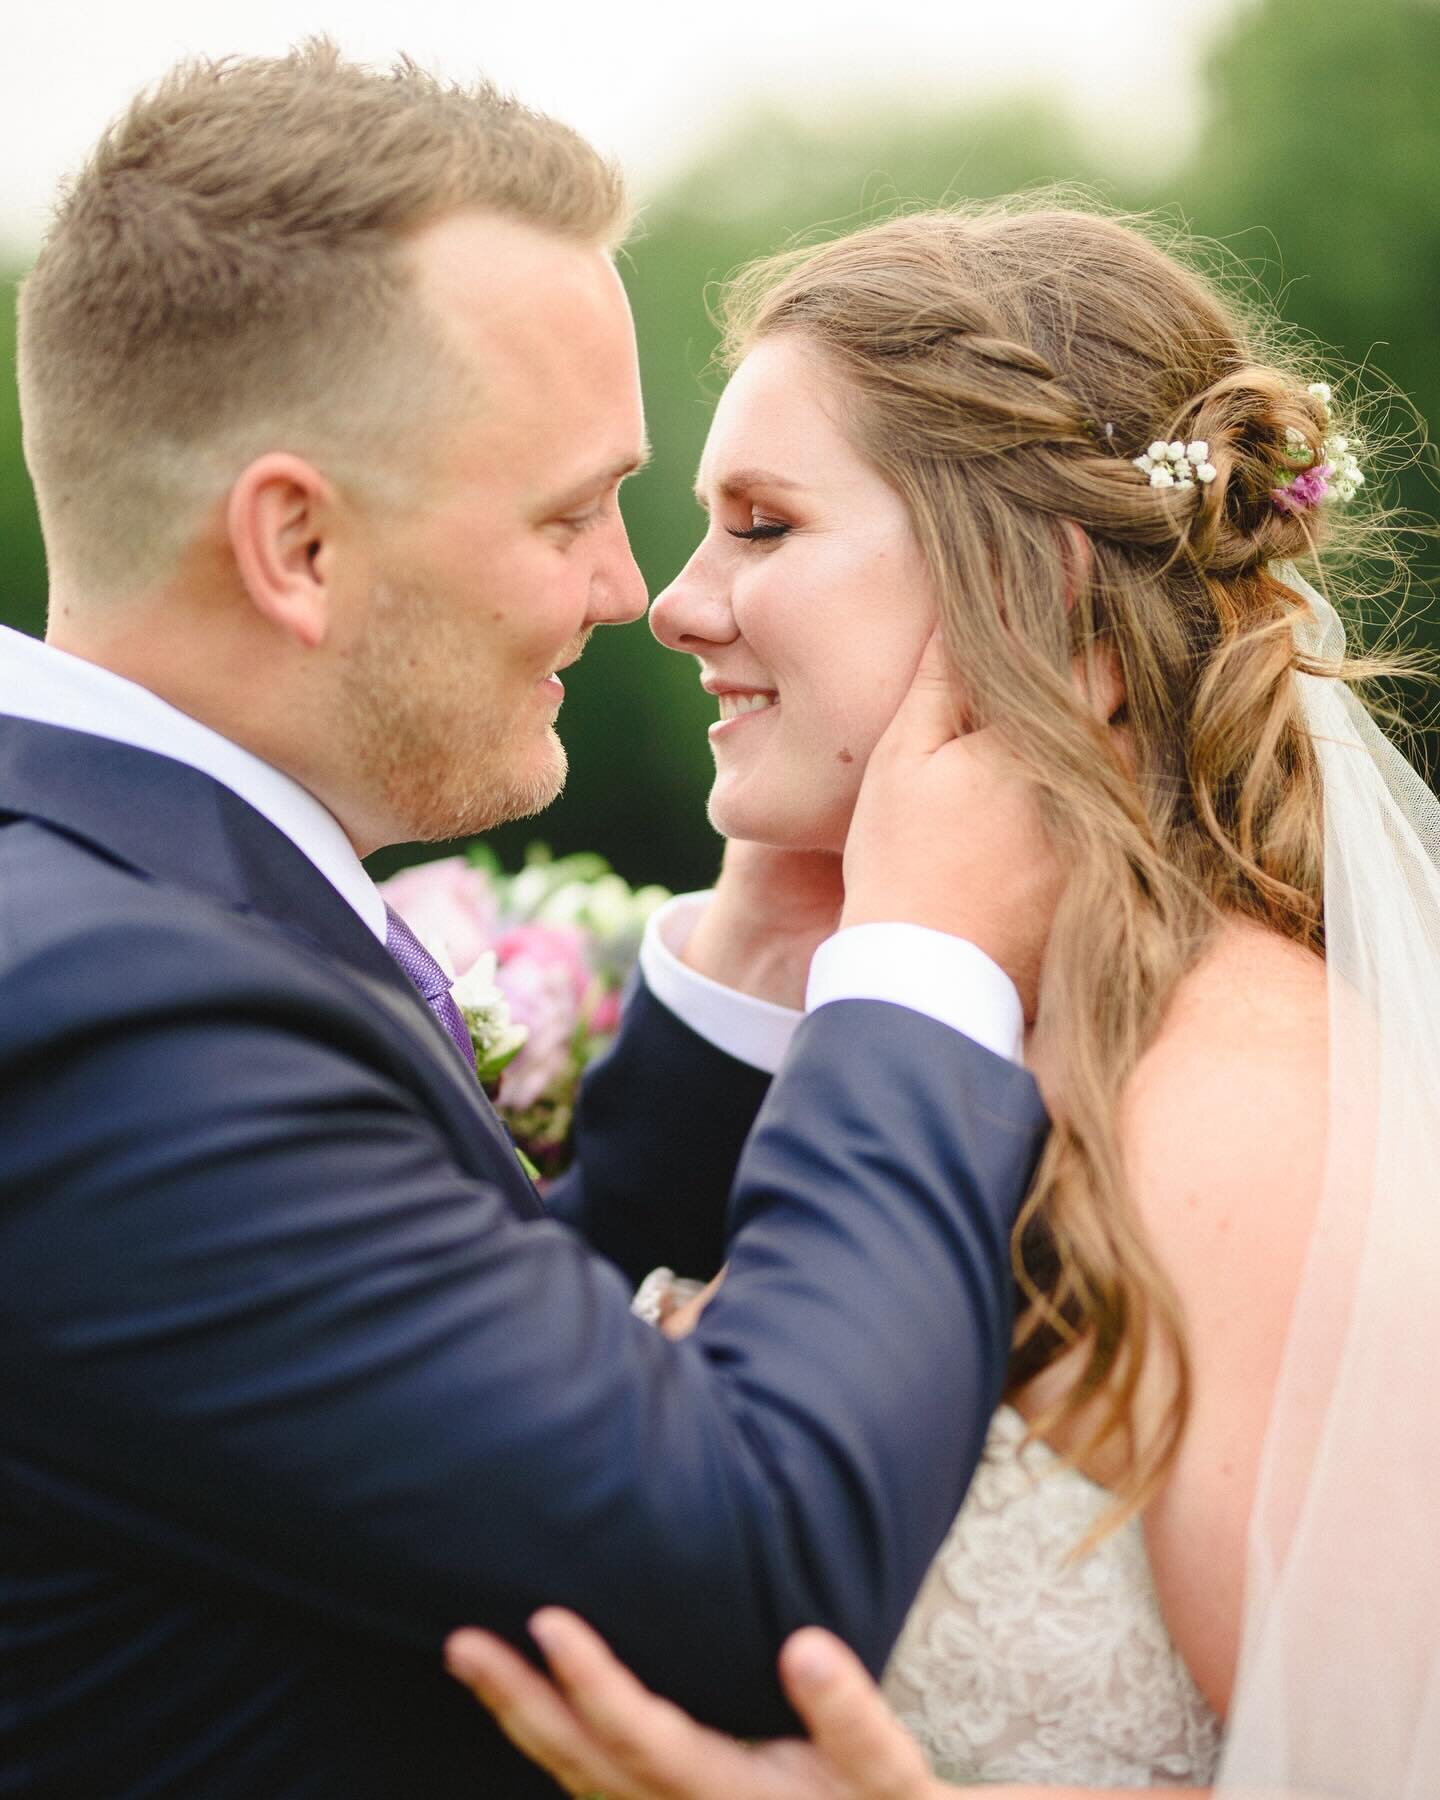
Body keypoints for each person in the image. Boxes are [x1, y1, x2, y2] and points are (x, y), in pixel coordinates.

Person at [0, 50, 1060, 1798]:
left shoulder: (114, 903)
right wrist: (925, 972)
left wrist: (745, 986)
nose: (628, 589)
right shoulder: (101, 1019)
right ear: (298, 545)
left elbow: (413, 1404)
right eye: (570, 511)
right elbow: (749, 1567)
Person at [447, 203, 1440, 1797]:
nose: (679, 604)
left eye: (763, 526)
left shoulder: (1240, 1097)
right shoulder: (865, 1025)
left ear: (1041, 591)